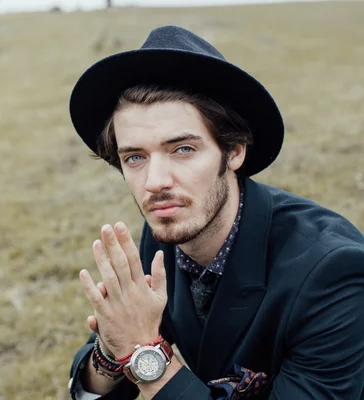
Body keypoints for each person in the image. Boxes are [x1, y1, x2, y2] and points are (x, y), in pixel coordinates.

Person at [66, 25, 364, 400]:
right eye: (135, 157)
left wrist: (145, 350)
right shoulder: (164, 229)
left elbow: (142, 353)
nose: (155, 182)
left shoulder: (331, 272)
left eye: (183, 149)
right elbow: (103, 381)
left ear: (234, 151)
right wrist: (110, 352)